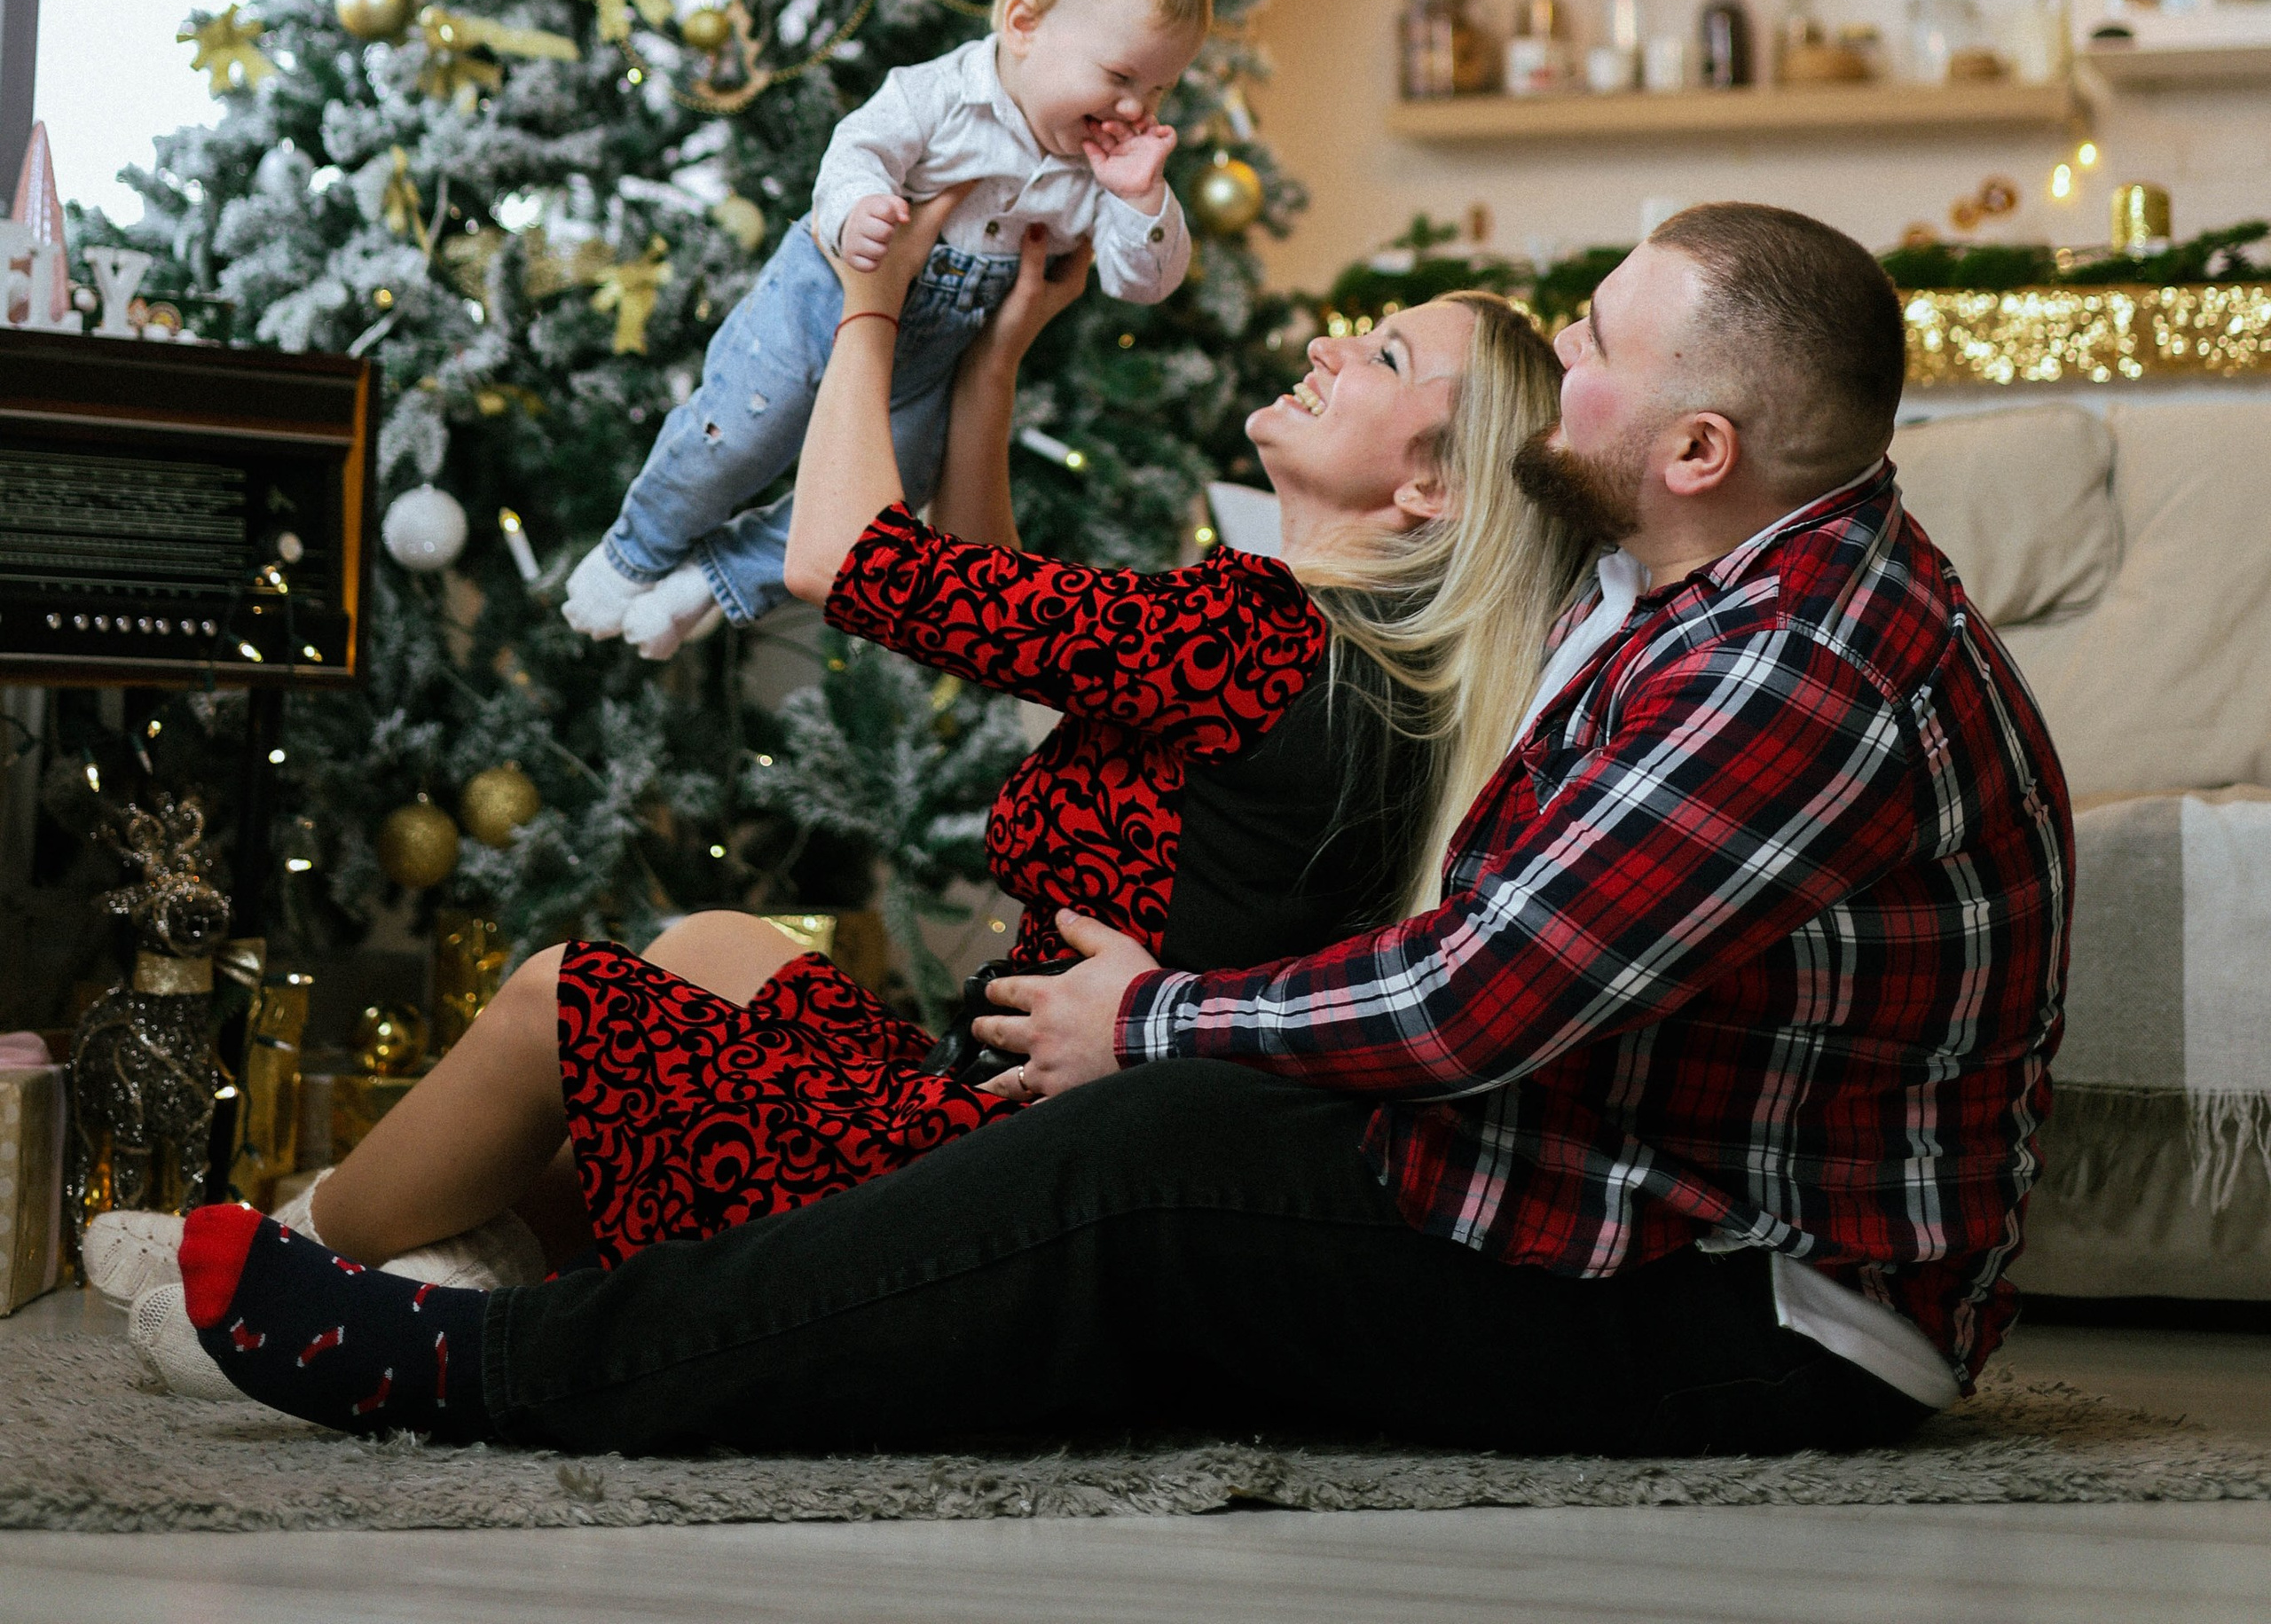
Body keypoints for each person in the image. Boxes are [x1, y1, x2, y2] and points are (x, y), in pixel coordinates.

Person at [169, 201, 2073, 1467]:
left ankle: (481, 1368)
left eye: (1586, 346)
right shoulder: (1682, 604)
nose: (1546, 378)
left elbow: (1481, 995)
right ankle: (579, 1307)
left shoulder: (1794, 662)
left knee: (1141, 1157)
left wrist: (1155, 1021)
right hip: (1627, 1199)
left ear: (1691, 454)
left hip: (1761, 1310)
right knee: (1126, 1139)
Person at [120, 187, 1576, 1389]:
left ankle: (280, 1262)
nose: (1331, 347)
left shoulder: (1255, 636)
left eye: (1384, 360)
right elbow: (1008, 620)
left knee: (565, 996)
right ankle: (423, 1258)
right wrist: (995, 359)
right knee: (706, 945)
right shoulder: (1323, 652)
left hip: (991, 1180)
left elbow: (846, 562)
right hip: (1009, 1118)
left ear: (1434, 488)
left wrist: (865, 299)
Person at [562, 0, 1209, 658]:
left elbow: (1143, 282)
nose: (1138, 109)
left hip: (930, 361)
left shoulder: (1097, 171)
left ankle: (713, 577)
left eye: (1160, 87)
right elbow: (855, 151)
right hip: (819, 303)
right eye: (1121, 76)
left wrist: (1141, 200)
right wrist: (860, 206)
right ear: (1024, 25)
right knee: (734, 434)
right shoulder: (939, 97)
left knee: (887, 511)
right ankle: (637, 549)